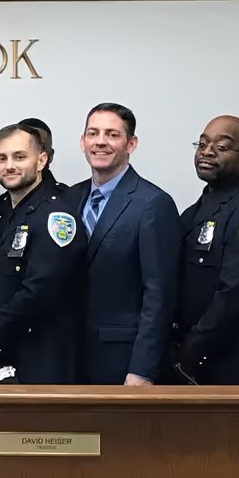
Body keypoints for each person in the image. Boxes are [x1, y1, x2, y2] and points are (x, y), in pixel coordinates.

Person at [169, 114, 239, 384]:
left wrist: (189, 352)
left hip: (228, 364)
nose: (207, 152)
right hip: (192, 359)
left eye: (221, 147)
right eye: (202, 144)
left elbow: (235, 295)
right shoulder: (197, 209)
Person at [0, 122, 81, 384]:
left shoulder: (55, 217)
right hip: (8, 354)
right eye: (2, 158)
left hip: (44, 360)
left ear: (41, 161)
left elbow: (38, 292)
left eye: (19, 157)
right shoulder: (6, 214)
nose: (9, 166)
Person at [73, 102, 179, 385]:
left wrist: (143, 369)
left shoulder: (153, 204)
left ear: (131, 143)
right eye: (93, 133)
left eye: (112, 134)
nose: (100, 142)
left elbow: (159, 295)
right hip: (69, 355)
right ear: (82, 141)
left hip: (121, 359)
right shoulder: (70, 199)